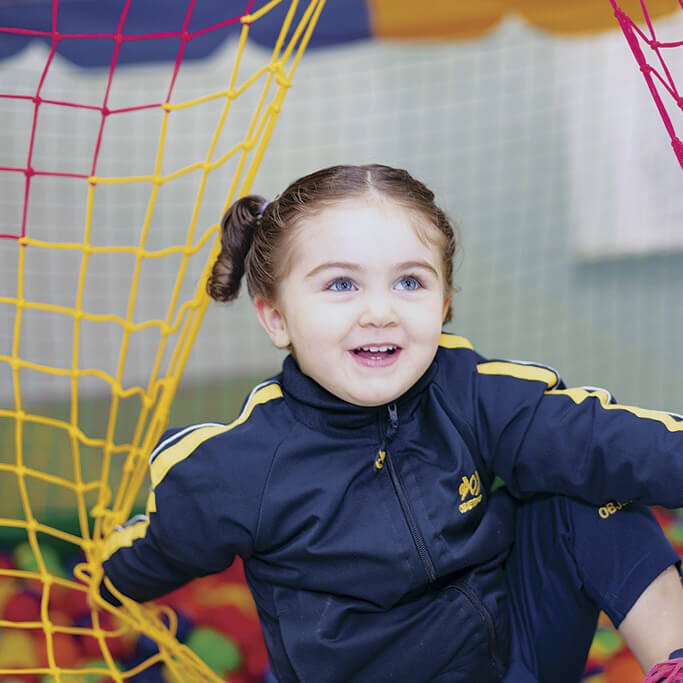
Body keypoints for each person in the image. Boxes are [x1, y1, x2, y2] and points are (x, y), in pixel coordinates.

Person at [100, 164, 683, 682]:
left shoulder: (472, 392)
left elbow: (607, 439)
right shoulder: (241, 465)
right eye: (341, 284)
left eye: (409, 282)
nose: (380, 312)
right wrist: (101, 576)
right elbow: (159, 545)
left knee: (587, 486)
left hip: (514, 663)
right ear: (276, 319)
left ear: (445, 303)